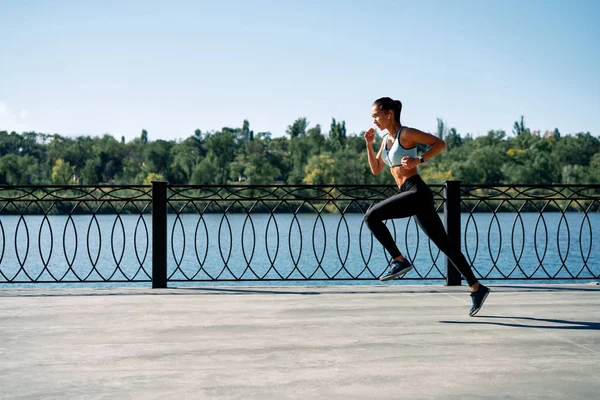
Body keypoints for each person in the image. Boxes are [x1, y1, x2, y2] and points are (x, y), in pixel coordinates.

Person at [363, 97, 490, 316]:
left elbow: (439, 143)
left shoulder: (406, 133)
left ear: (389, 114)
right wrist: (368, 144)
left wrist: (418, 160)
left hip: (416, 191)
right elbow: (375, 169)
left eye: (376, 115)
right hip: (408, 194)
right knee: (445, 245)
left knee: (371, 216)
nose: (374, 120)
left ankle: (399, 260)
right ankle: (477, 288)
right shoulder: (385, 140)